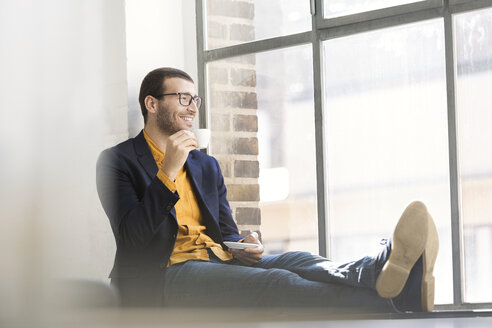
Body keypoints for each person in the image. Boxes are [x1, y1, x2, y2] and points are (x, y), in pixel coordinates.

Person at [96, 67, 439, 312]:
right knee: (278, 281)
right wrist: (169, 169)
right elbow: (132, 237)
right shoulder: (117, 162)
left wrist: (245, 245)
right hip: (164, 276)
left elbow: (226, 232)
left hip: (218, 260)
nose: (192, 106)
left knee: (300, 261)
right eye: (182, 97)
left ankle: (378, 272)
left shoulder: (205, 164)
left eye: (195, 98)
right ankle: (394, 298)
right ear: (152, 104)